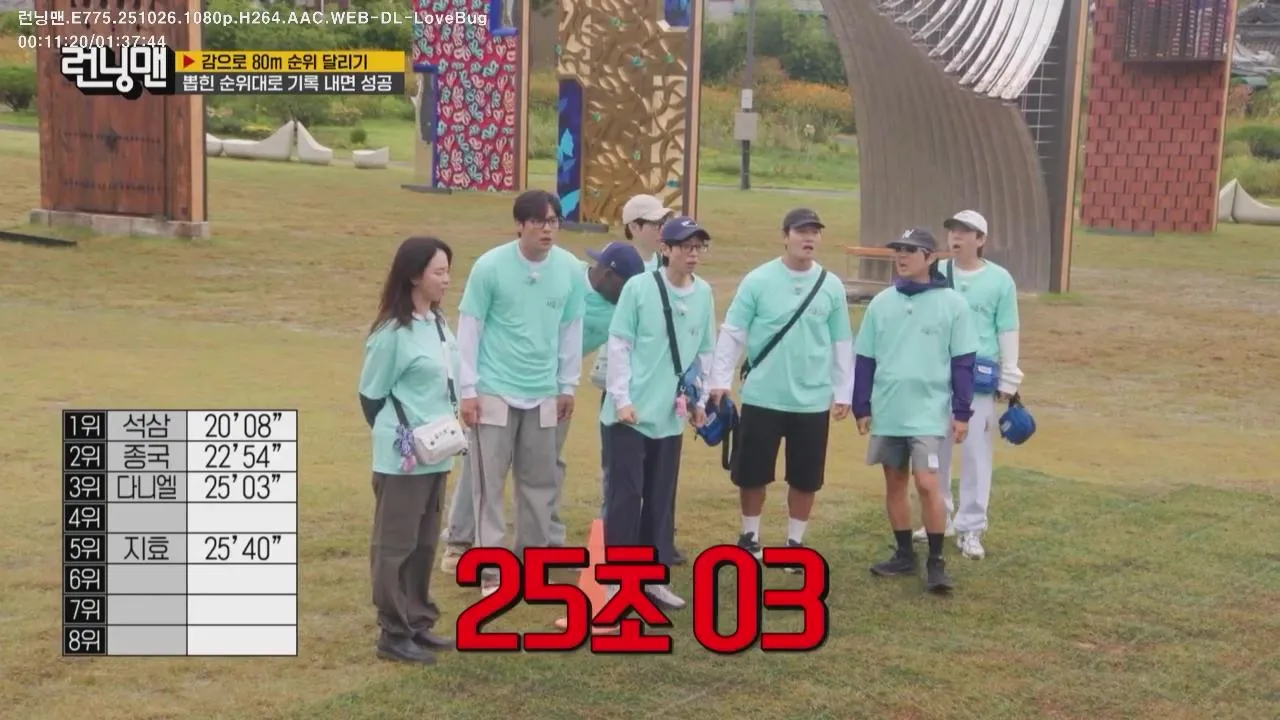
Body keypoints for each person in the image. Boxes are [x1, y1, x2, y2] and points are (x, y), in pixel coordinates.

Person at [437, 241, 644, 571]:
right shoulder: (566, 274)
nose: (630, 293)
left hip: (552, 386)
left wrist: (568, 385)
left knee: (548, 467)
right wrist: (470, 385)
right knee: (485, 466)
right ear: (607, 274)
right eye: (626, 285)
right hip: (499, 379)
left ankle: (547, 543)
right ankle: (459, 541)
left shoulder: (622, 306)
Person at [454, 189, 587, 597]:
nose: (547, 229)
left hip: (543, 391)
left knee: (539, 482)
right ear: (519, 225)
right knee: (489, 484)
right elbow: (470, 328)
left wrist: (567, 385)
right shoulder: (490, 266)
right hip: (493, 390)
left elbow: (571, 330)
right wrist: (468, 389)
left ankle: (532, 564)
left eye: (554, 221)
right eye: (539, 221)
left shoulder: (570, 269)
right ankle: (491, 571)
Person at [708, 208, 854, 564]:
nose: (809, 238)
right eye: (801, 231)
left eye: (815, 232)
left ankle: (794, 543)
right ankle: (750, 536)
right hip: (763, 395)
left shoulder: (831, 285)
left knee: (806, 477)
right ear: (785, 236)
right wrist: (719, 380)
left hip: (812, 399)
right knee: (752, 472)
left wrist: (843, 392)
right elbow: (733, 332)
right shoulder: (758, 280)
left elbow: (841, 342)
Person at [853, 228, 978, 594]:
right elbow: (865, 358)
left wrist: (962, 412)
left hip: (929, 410)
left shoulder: (953, 304)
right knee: (894, 481)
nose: (902, 257)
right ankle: (904, 553)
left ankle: (936, 560)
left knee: (926, 482)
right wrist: (862, 404)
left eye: (910, 250)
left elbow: (963, 362)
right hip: (889, 408)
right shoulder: (881, 303)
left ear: (930, 257)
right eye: (898, 250)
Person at [601, 216, 716, 610]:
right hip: (630, 416)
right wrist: (621, 399)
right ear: (665, 249)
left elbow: (704, 352)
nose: (693, 253)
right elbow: (620, 344)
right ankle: (617, 582)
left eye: (698, 246)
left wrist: (699, 403)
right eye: (685, 246)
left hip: (670, 415)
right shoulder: (639, 287)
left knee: (660, 498)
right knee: (625, 498)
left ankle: (653, 578)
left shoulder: (704, 293)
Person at [358, 236, 460, 664]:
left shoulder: (436, 323)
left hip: (437, 450)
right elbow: (371, 395)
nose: (447, 280)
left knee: (423, 543)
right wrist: (401, 435)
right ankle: (394, 631)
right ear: (415, 276)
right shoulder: (392, 334)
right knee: (394, 544)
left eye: (448, 271)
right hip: (403, 457)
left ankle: (417, 619)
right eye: (439, 272)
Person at [911, 210, 1023, 560]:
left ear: (981, 239)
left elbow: (1007, 328)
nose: (956, 237)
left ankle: (972, 526)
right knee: (937, 450)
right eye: (953, 231)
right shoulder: (938, 272)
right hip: (938, 374)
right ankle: (939, 515)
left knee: (976, 453)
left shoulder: (1000, 280)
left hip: (978, 378)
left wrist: (1009, 375)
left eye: (965, 232)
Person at [622, 193, 673, 271]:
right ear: (634, 227)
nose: (662, 230)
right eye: (656, 224)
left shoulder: (669, 265)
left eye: (664, 223)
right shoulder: (620, 267)